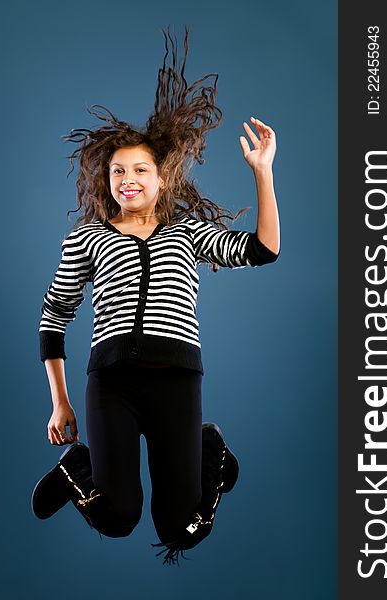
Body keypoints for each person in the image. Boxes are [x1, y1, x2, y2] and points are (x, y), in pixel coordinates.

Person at [31, 25, 280, 566]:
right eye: (118, 171)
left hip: (176, 381)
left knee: (182, 529)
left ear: (161, 178)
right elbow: (54, 319)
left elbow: (264, 250)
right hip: (112, 383)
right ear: (108, 181)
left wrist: (262, 173)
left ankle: (209, 449)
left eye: (140, 170)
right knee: (119, 517)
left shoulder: (188, 234)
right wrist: (60, 400)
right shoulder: (88, 238)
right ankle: (77, 468)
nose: (128, 179)